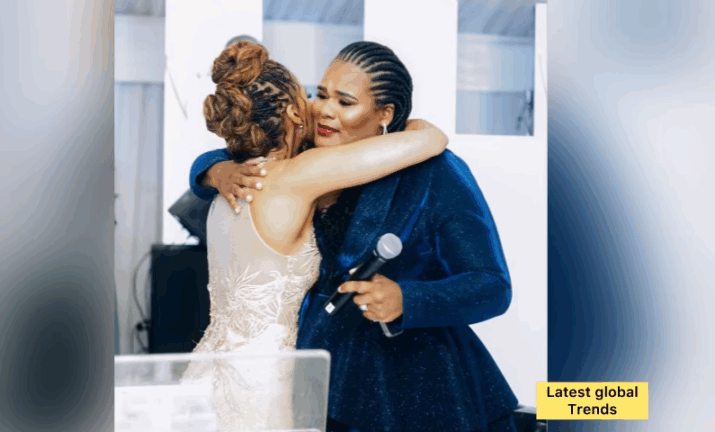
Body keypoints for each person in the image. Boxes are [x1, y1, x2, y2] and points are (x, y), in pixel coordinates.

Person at [190, 41, 520, 432]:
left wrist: (408, 299)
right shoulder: (303, 153)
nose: (324, 110)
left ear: (385, 114)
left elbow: (492, 285)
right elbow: (245, 145)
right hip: (321, 373)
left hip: (413, 384)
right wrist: (214, 169)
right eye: (320, 94)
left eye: (345, 102)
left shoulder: (435, 171)